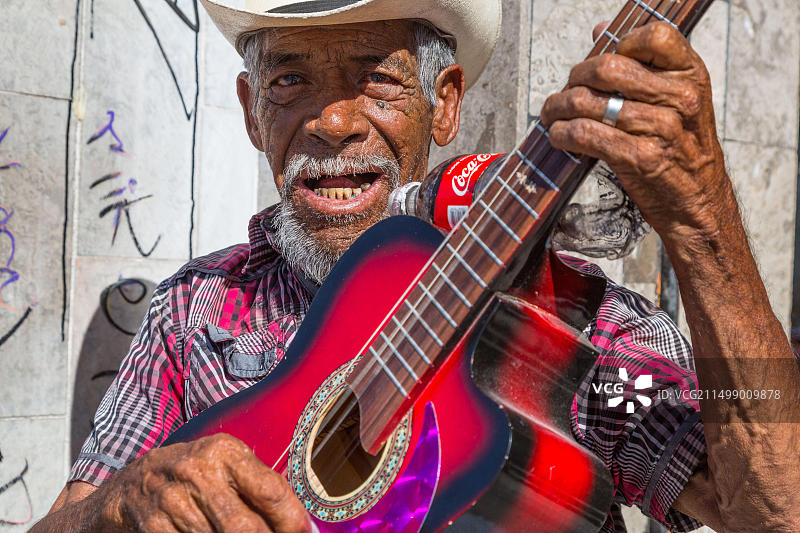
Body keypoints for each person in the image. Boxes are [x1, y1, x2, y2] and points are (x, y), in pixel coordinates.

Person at [30, 0, 800, 532]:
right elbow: (68, 516)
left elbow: (776, 509)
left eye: (376, 78)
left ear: (447, 103)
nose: (331, 123)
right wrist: (117, 506)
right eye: (290, 80)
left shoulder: (569, 326)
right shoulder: (195, 310)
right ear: (249, 109)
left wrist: (706, 229)